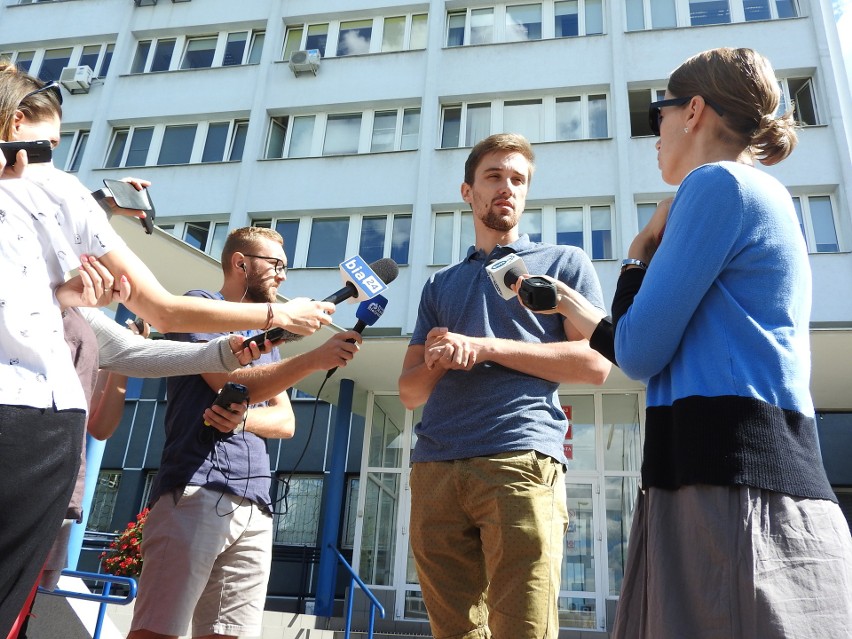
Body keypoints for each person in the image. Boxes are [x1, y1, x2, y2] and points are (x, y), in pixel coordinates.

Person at [522, 48, 852, 638]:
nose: (656, 133)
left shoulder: (716, 183)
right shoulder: (760, 192)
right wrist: (572, 303)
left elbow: (639, 352)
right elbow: (638, 343)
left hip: (725, 491)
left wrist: (637, 252)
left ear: (693, 110)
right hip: (754, 481)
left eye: (658, 114)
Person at [0, 63, 331, 637]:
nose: (42, 166)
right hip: (54, 440)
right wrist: (279, 323)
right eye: (46, 145)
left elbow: (131, 349)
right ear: (15, 124)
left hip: (50, 439)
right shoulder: (48, 190)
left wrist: (235, 351)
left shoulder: (55, 208)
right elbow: (164, 311)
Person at [398, 133, 611, 639]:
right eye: (494, 176)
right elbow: (409, 392)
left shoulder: (564, 264)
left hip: (519, 459)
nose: (507, 188)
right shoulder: (440, 284)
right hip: (435, 469)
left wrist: (487, 346)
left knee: (525, 630)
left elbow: (598, 365)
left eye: (518, 179)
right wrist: (438, 358)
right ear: (468, 191)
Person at [127, 226, 363, 639]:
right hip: (196, 489)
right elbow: (230, 381)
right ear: (241, 263)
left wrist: (241, 420)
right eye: (277, 265)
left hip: (255, 506)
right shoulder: (200, 307)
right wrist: (313, 359)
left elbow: (285, 422)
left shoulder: (268, 345)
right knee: (156, 630)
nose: (284, 277)